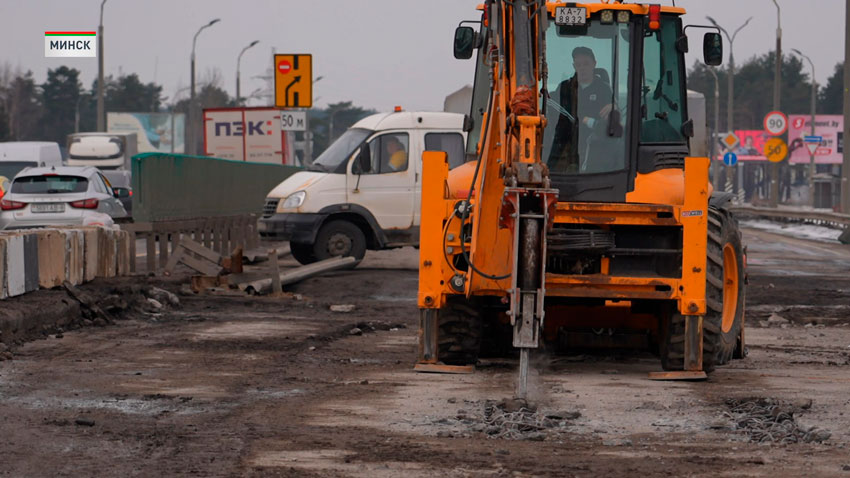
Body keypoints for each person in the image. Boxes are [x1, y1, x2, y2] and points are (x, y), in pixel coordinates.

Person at [548, 46, 615, 172]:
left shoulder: (604, 90)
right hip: (565, 141)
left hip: (595, 143)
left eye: (586, 64)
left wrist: (613, 107)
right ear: (574, 66)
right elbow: (554, 113)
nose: (582, 68)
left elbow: (612, 119)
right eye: (578, 65)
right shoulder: (564, 88)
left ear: (594, 64)